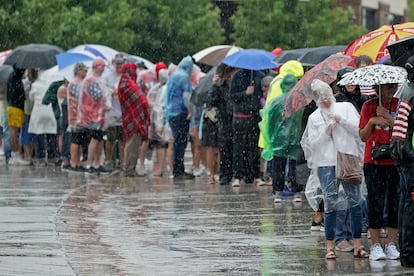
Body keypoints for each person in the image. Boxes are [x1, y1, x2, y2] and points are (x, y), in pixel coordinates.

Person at [301, 79, 367, 260]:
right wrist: (326, 130)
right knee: (330, 204)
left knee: (355, 201)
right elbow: (312, 144)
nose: (326, 101)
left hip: (347, 159)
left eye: (327, 96)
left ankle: (357, 244)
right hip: (326, 164)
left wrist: (341, 121)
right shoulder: (314, 117)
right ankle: (330, 245)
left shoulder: (344, 107)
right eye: (321, 98)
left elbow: (358, 130)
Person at [359, 80, 400, 261]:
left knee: (394, 203)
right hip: (373, 162)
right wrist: (373, 121)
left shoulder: (399, 105)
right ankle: (375, 245)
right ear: (379, 88)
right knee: (375, 203)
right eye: (388, 87)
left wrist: (388, 118)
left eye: (394, 86)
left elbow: (403, 130)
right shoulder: (368, 106)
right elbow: (362, 136)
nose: (392, 90)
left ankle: (391, 243)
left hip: (395, 160)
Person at [333, 67, 370, 251]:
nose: (349, 83)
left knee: (357, 196)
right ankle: (341, 236)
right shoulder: (337, 101)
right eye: (345, 80)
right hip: (341, 153)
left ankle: (354, 232)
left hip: (359, 151)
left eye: (352, 79)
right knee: (342, 197)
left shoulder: (364, 100)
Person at [260, 73, 303, 202]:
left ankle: (277, 191)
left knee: (278, 165)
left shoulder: (275, 101)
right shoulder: (299, 102)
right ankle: (296, 190)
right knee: (295, 165)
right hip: (295, 138)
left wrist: (272, 135)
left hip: (278, 138)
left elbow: (270, 121)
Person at [391, 55, 414, 267]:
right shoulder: (411, 92)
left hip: (403, 156)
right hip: (409, 157)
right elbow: (405, 130)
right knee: (409, 205)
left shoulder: (405, 90)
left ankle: (405, 251)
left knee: (405, 203)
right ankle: (408, 254)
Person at [230, 67, 265, 187]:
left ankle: (255, 174)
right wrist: (245, 93)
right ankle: (237, 175)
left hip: (254, 116)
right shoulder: (237, 76)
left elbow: (262, 94)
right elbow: (233, 96)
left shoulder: (259, 75)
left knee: (254, 148)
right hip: (240, 117)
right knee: (238, 148)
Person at [78, 57, 110, 174]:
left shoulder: (97, 80)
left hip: (99, 115)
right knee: (95, 140)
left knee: (99, 139)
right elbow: (97, 96)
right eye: (101, 67)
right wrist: (107, 96)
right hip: (94, 115)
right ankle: (89, 164)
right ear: (96, 67)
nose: (103, 69)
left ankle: (97, 163)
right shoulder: (91, 80)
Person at [118, 63, 150, 177]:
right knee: (132, 144)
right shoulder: (127, 83)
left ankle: (130, 168)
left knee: (131, 143)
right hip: (134, 118)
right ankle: (129, 169)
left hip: (130, 117)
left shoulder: (124, 82)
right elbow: (142, 100)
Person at [166, 56, 195, 180]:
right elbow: (186, 96)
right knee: (181, 143)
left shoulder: (173, 75)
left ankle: (177, 169)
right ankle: (179, 171)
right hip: (180, 113)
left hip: (171, 113)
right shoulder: (184, 77)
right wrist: (190, 110)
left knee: (177, 142)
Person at [210, 64, 236, 185]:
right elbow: (211, 101)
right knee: (225, 148)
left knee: (236, 149)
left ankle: (235, 173)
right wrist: (214, 86)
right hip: (224, 122)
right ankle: (225, 174)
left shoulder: (237, 86)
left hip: (236, 120)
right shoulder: (220, 87)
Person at [103, 53, 125, 170]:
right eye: (117, 64)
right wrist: (111, 92)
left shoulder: (126, 77)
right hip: (111, 112)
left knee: (122, 139)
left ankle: (122, 161)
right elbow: (105, 91)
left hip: (123, 112)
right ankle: (108, 160)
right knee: (110, 138)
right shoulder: (108, 77)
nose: (119, 66)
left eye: (121, 63)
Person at [66, 63, 89, 172]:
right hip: (76, 117)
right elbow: (80, 98)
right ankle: (74, 163)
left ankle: (77, 162)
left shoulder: (79, 83)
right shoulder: (75, 83)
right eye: (84, 70)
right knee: (75, 140)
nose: (86, 72)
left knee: (79, 140)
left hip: (81, 116)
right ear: (79, 71)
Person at [7, 66, 30, 165]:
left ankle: (14, 155)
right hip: (16, 107)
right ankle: (15, 156)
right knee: (15, 132)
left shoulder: (12, 78)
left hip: (12, 106)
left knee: (14, 131)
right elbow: (20, 94)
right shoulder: (16, 78)